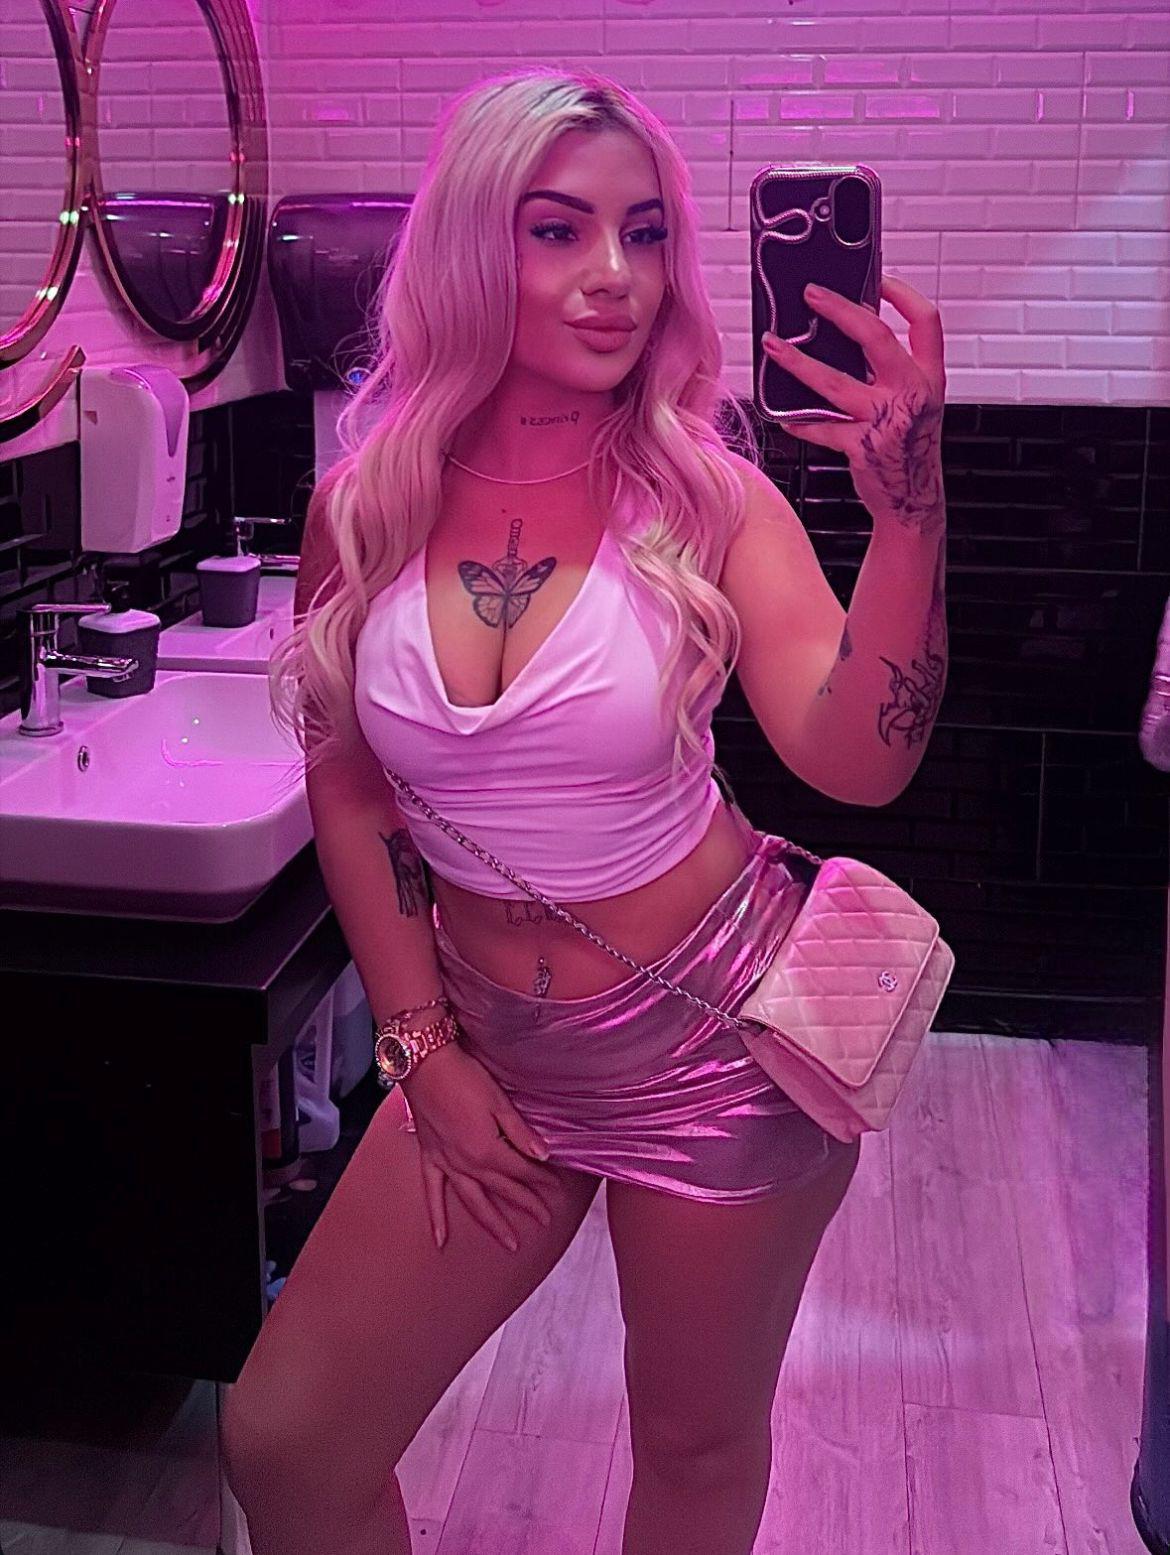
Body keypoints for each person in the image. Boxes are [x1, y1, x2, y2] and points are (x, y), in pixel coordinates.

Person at [222, 66, 947, 1555]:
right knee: (287, 1441)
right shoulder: (362, 505)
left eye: (646, 232)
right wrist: (419, 1049)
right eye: (557, 230)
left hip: (717, 1038)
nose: (615, 274)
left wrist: (907, 515)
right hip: (486, 1035)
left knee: (691, 1442)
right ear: (470, 245)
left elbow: (857, 761)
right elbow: (348, 785)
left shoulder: (709, 500)